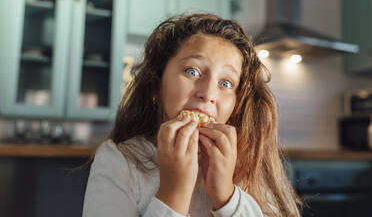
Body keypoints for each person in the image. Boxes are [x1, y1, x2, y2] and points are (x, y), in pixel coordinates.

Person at [82, 13, 302, 217]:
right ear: (157, 85)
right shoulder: (119, 162)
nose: (207, 94)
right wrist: (173, 193)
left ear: (236, 105)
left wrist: (226, 196)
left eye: (225, 83)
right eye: (192, 71)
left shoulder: (249, 167)